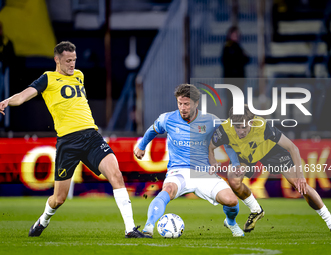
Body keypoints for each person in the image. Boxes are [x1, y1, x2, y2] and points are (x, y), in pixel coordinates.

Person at [0, 41, 150, 238]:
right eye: (68, 61)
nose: (72, 64)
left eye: (74, 60)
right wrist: (7, 101)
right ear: (57, 60)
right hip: (68, 143)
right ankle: (43, 220)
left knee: (117, 176)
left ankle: (130, 229)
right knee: (59, 198)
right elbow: (23, 96)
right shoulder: (48, 78)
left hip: (91, 136)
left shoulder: (79, 75)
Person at [209, 104, 331, 235]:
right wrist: (217, 161)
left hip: (269, 151)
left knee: (300, 186)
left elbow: (293, 148)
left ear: (252, 122)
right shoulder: (224, 129)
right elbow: (210, 147)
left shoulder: (262, 127)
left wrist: (301, 176)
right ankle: (256, 210)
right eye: (237, 127)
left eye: (244, 127)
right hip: (245, 155)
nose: (241, 131)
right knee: (233, 181)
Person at [134, 84, 244, 237]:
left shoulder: (210, 120)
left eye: (186, 104)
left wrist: (236, 163)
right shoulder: (167, 118)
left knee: (231, 201)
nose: (183, 107)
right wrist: (142, 146)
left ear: (196, 103)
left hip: (203, 172)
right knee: (168, 190)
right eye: (180, 103)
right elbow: (153, 130)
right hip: (178, 170)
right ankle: (148, 227)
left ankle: (231, 222)